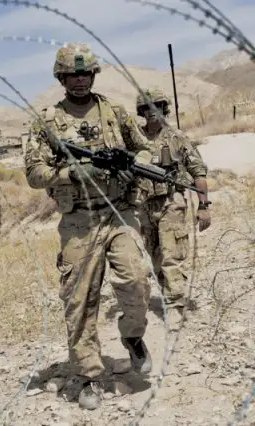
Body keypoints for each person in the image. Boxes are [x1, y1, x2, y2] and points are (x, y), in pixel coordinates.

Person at [24, 43, 155, 410]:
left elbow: (144, 148)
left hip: (119, 212)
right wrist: (73, 173)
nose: (80, 80)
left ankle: (132, 337)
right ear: (61, 77)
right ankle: (89, 376)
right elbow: (34, 172)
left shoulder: (114, 112)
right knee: (79, 300)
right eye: (72, 74)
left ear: (93, 75)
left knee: (136, 280)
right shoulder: (47, 122)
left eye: (85, 73)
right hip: (79, 220)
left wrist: (131, 164)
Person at [135, 88, 211, 328]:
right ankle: (166, 293)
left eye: (157, 106)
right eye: (147, 107)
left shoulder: (176, 137)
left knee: (172, 255)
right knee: (154, 256)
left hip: (171, 201)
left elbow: (198, 171)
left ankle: (175, 305)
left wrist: (204, 205)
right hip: (145, 206)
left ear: (164, 108)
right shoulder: (135, 140)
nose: (152, 111)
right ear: (141, 112)